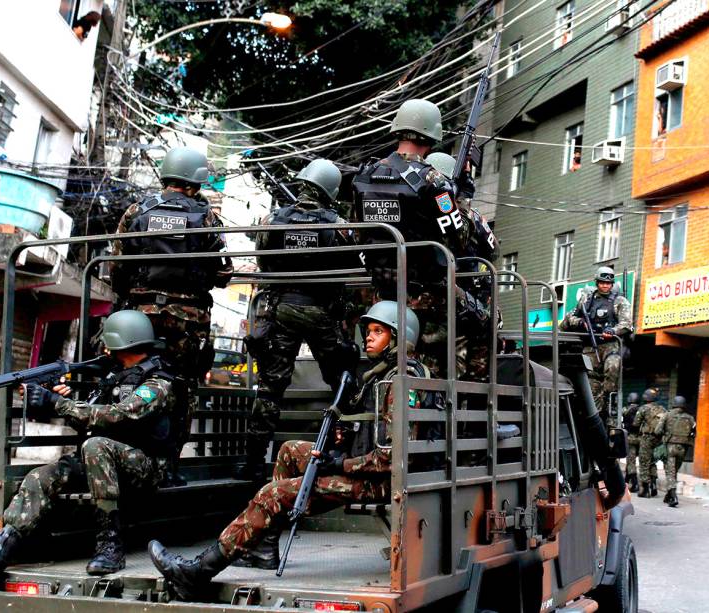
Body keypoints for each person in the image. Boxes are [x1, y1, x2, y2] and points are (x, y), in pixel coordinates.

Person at [149, 301, 426, 601]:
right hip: (364, 468)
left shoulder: (399, 382)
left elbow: (392, 459)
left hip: (381, 482)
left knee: (274, 494)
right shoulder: (382, 375)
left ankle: (198, 571)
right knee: (289, 450)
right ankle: (266, 547)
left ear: (399, 338)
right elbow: (373, 431)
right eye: (368, 331)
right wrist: (345, 436)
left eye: (378, 331)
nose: (368, 337)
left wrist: (339, 463)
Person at [0, 311, 177, 589]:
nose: (104, 348)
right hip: (100, 463)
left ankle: (110, 546)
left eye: (108, 342)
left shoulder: (158, 383)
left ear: (121, 343)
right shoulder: (114, 375)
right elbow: (90, 414)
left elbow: (119, 415)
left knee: (96, 445)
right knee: (40, 477)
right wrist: (54, 397)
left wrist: (57, 404)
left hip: (145, 468)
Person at [112, 146, 231, 485]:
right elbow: (224, 273)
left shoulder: (136, 211)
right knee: (181, 389)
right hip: (188, 320)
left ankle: (122, 457)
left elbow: (118, 268)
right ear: (196, 180)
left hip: (139, 317)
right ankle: (167, 468)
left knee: (130, 381)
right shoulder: (207, 218)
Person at [237, 159, 359, 482]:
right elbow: (351, 263)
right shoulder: (338, 225)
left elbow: (264, 262)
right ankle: (342, 454)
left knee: (271, 387)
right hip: (321, 311)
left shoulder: (272, 220)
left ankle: (252, 462)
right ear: (330, 191)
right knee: (341, 382)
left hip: (282, 310)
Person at [352, 99, 468, 376]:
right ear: (430, 136)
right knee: (475, 320)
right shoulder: (435, 182)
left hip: (380, 288)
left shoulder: (365, 174)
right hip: (423, 293)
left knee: (386, 363)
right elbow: (457, 236)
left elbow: (358, 231)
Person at [425, 151, 499, 381]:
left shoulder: (422, 213)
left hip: (441, 300)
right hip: (458, 302)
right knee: (465, 373)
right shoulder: (465, 214)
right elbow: (493, 250)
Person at [559, 266, 633, 414]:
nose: (605, 285)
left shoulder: (620, 301)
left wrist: (613, 330)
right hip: (590, 348)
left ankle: (610, 399)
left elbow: (627, 324)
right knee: (587, 382)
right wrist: (580, 322)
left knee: (613, 365)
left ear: (612, 284)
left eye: (608, 283)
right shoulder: (587, 299)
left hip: (610, 346)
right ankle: (590, 411)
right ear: (597, 283)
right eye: (602, 282)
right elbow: (567, 320)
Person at [656, 395, 695, 507]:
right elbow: (693, 433)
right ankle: (669, 494)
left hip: (670, 447)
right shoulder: (690, 418)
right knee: (674, 471)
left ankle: (673, 496)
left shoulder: (667, 415)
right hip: (683, 448)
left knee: (670, 471)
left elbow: (657, 431)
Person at [634, 388, 666, 498]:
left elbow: (636, 423)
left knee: (644, 462)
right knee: (652, 461)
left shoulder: (643, 409)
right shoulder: (662, 408)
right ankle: (653, 485)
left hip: (646, 438)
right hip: (658, 439)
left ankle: (645, 489)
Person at [622, 392, 641, 493]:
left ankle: (635, 483)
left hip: (630, 438)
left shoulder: (626, 410)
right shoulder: (642, 410)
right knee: (631, 460)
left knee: (631, 461)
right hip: (641, 439)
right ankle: (626, 480)